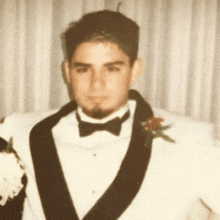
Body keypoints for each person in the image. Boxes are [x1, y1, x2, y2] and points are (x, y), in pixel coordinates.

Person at [0, 10, 220, 220]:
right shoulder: (18, 130)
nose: (97, 84)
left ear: (135, 70)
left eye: (112, 69)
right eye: (83, 69)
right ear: (67, 72)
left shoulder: (190, 138)